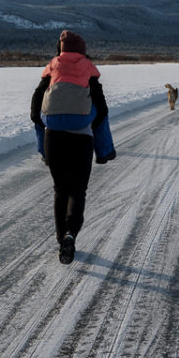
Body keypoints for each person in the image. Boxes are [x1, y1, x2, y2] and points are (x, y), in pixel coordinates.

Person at [30, 29, 111, 263]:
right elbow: (102, 109)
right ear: (82, 50)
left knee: (60, 189)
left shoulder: (52, 67)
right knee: (77, 190)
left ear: (61, 49)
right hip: (82, 139)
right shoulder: (87, 68)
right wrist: (97, 136)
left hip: (53, 138)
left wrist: (44, 126)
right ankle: (70, 234)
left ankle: (60, 238)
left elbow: (36, 105)